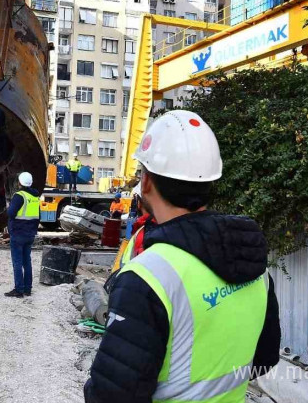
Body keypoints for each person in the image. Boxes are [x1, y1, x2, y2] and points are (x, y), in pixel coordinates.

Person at [85, 110, 281, 402]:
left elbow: (109, 396)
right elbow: (265, 357)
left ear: (147, 183)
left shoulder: (149, 277)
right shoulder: (253, 263)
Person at [5, 171, 41, 298]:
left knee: (17, 262)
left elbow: (10, 213)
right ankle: (27, 289)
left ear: (19, 182)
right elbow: (38, 216)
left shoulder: (19, 196)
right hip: (29, 234)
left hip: (18, 233)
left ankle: (19, 290)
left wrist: (9, 207)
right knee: (27, 262)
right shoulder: (35, 197)